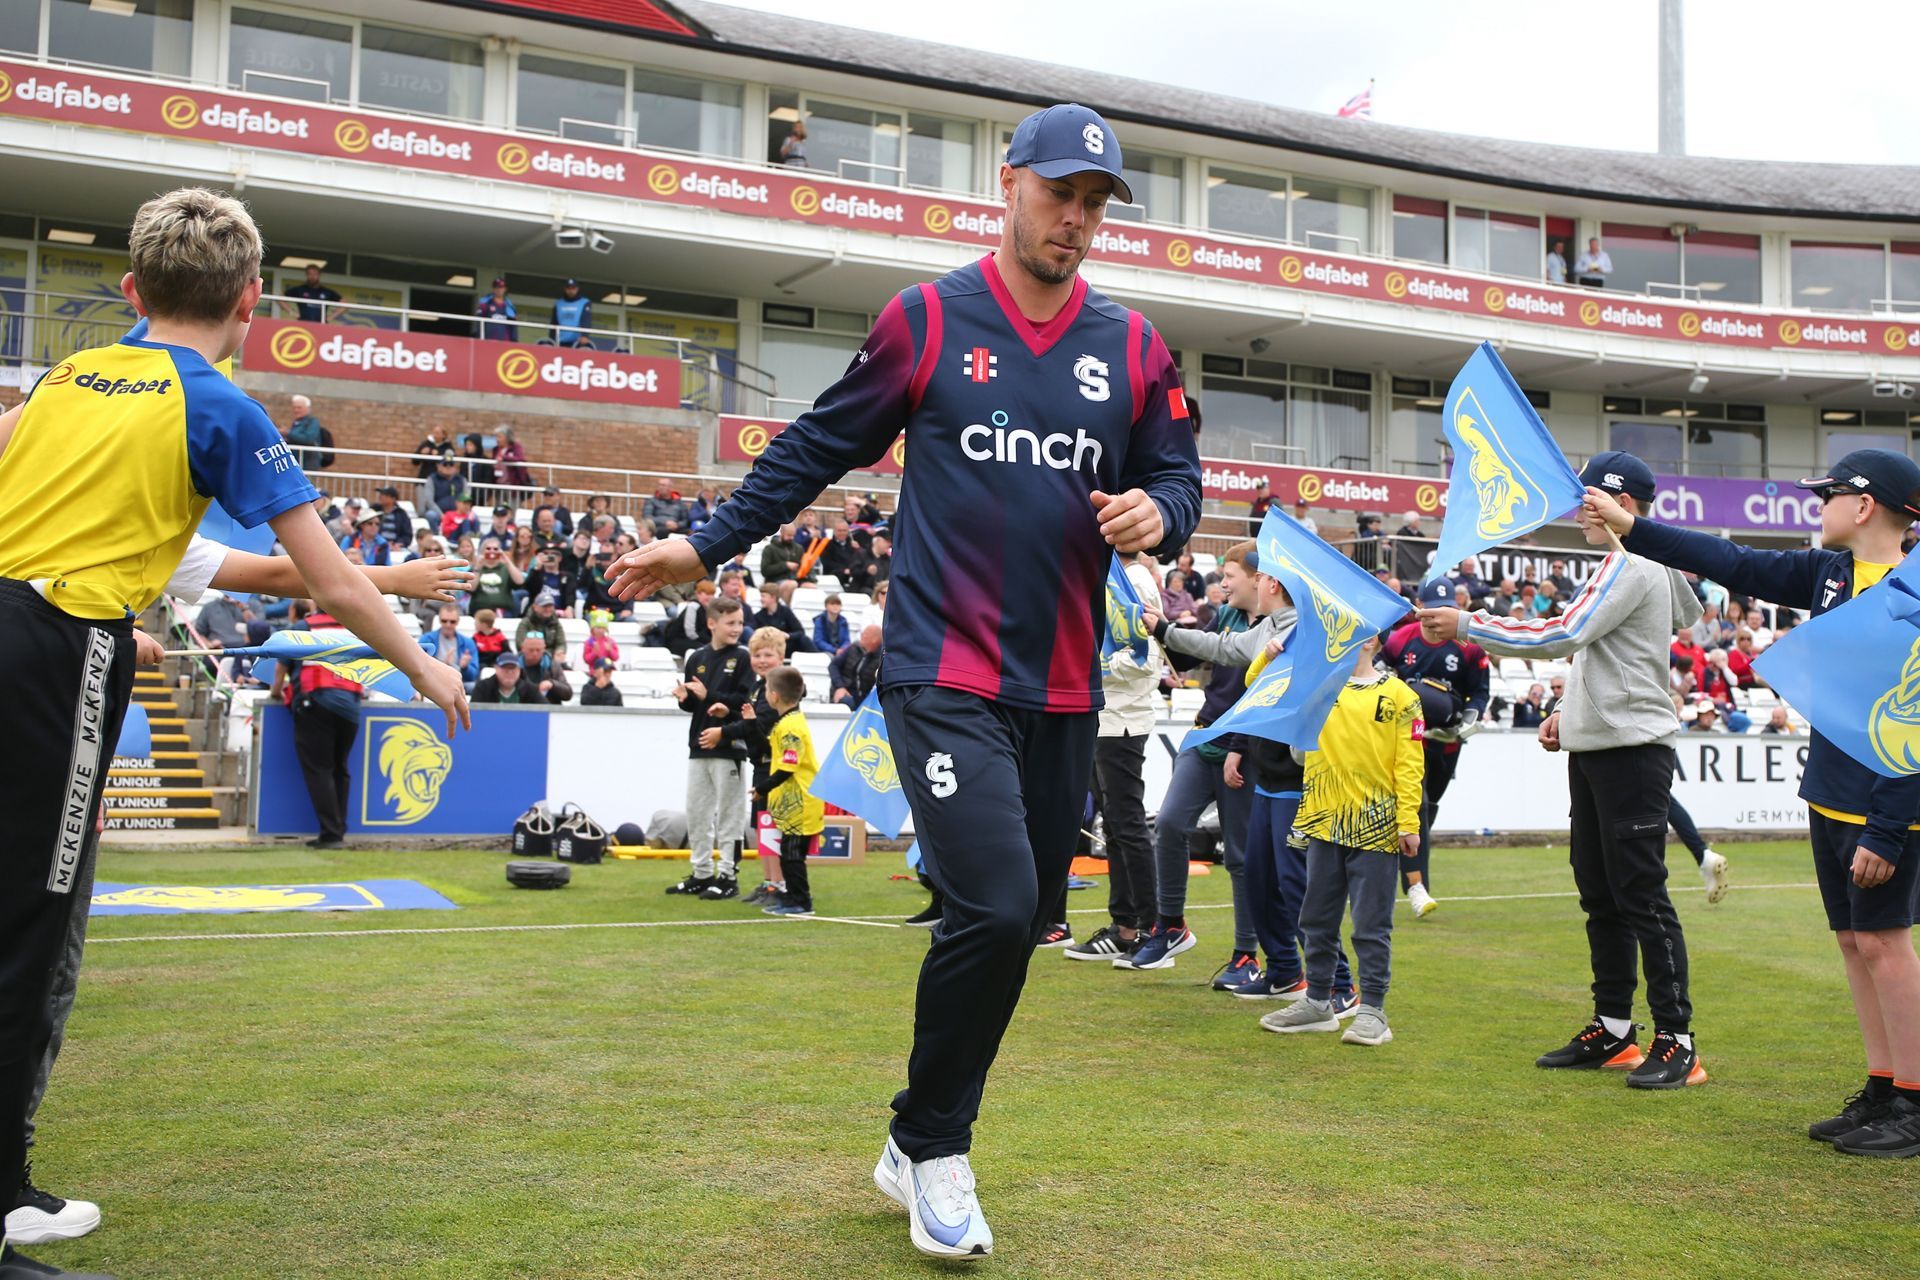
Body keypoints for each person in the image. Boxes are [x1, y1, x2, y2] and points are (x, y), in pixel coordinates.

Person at [608, 101, 1199, 1262]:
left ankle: (918, 1135)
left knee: (1023, 915)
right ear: (1010, 181)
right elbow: (818, 444)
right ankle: (935, 1145)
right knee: (987, 897)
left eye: (1094, 205)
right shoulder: (927, 320)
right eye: (1059, 194)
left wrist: (1159, 512)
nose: (1074, 221)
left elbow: (1178, 475)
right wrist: (709, 541)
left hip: (1066, 687)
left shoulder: (1132, 346)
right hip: (941, 667)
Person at [0, 188, 467, 1277]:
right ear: (252, 301)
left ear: (129, 291)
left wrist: (107, 608)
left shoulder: (67, 377)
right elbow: (334, 581)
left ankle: (10, 1183)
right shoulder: (218, 406)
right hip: (54, 651)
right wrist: (425, 661)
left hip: (40, 625)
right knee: (32, 923)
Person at [1586, 447, 1920, 1148]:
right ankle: (1882, 1086)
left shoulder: (1913, 592)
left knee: (1887, 946)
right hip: (1830, 793)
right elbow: (1731, 561)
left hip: (1887, 805)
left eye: (1827, 495)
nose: (1816, 506)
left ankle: (1914, 1105)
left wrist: (1888, 828)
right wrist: (1632, 526)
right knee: (1856, 944)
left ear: (1864, 507)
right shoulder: (1829, 571)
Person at [1419, 450, 1707, 1089]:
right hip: (1606, 747)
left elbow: (1560, 634)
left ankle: (1678, 1041)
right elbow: (1627, 644)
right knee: (1603, 894)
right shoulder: (1638, 564)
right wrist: (1565, 709)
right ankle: (1614, 1030)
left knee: (1638, 895)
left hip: (1630, 752)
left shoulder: (1630, 565)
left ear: (1622, 505)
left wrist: (1468, 622)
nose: (1580, 510)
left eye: (1591, 499)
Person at [1257, 632, 1422, 1047]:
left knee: (1370, 924)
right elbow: (1258, 689)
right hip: (1322, 821)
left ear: (1371, 643)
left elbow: (1409, 762)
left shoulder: (1401, 696)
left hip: (1376, 826)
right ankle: (1317, 1003)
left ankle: (1373, 1011)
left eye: (1349, 638)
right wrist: (1267, 656)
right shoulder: (1318, 687)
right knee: (1316, 918)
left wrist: (1408, 822)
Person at [1131, 542, 1260, 976]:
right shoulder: (1223, 613)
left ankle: (1246, 954)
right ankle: (1171, 926)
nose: (1221, 584)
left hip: (1245, 747)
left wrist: (1240, 747)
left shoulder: (1279, 629)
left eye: (1230, 576)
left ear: (1260, 579)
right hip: (1205, 734)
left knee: (1240, 855)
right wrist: (1153, 620)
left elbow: (1262, 699)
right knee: (1168, 824)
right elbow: (1191, 654)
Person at [1063, 552, 1163, 963]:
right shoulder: (1107, 574)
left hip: (1123, 719)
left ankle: (1153, 929)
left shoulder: (1134, 579)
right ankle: (1125, 925)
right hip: (1103, 716)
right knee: (1117, 827)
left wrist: (1090, 664)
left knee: (1128, 825)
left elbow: (1146, 659)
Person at [1383, 578, 1491, 918]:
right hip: (1407, 739)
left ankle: (1401, 860)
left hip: (1445, 743)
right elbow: (1382, 674)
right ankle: (1417, 886)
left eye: (1444, 610)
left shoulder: (1469, 646)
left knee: (1429, 807)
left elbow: (1479, 692)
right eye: (1430, 609)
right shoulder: (1401, 640)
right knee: (1420, 806)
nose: (1435, 618)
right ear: (1419, 606)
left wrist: (1463, 726)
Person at [668, 597, 756, 900]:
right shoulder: (697, 658)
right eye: (731, 623)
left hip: (729, 745)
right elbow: (696, 705)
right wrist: (685, 699)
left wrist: (710, 695)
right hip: (698, 745)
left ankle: (728, 875)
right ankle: (701, 872)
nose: (737, 629)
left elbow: (745, 702)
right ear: (711, 624)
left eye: (740, 623)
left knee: (730, 815)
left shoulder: (743, 658)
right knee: (697, 813)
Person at [267, 602, 365, 850]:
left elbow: (281, 667)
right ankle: (338, 829)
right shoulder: (355, 630)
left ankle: (331, 834)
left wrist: (276, 692)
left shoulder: (304, 628)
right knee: (340, 769)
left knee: (319, 769)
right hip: (351, 708)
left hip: (315, 702)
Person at [729, 629, 790, 905]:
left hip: (776, 765)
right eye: (757, 655)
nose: (762, 660)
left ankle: (780, 883)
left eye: (768, 654)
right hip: (760, 764)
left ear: (781, 656)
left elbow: (764, 727)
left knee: (773, 825)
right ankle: (769, 882)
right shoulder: (756, 687)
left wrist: (744, 725)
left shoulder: (782, 688)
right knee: (762, 825)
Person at [761, 665, 826, 916]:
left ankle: (802, 901)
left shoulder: (791, 727)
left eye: (767, 689)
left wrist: (762, 788)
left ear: (774, 696)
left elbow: (789, 766)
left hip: (801, 800)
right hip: (792, 802)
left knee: (792, 855)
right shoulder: (788, 721)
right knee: (788, 852)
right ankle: (791, 897)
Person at [418, 604, 479, 690]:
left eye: (452, 621)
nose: (448, 625)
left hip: (459, 682)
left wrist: (465, 667)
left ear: (457, 621)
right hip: (433, 681)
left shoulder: (468, 643)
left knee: (476, 688)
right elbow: (419, 666)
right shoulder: (427, 639)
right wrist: (443, 666)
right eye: (444, 621)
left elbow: (473, 676)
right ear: (439, 620)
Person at [831, 624, 884, 704]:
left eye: (865, 635)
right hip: (846, 692)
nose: (862, 636)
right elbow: (833, 665)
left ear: (874, 640)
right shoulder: (854, 647)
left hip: (868, 699)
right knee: (842, 700)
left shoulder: (882, 658)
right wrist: (840, 687)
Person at [750, 584, 811, 653]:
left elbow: (800, 631)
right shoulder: (758, 616)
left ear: (773, 597)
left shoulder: (786, 612)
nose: (761, 599)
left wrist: (787, 635)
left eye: (763, 596)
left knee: (804, 640)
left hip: (786, 645)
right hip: (769, 647)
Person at [515, 634, 572, 705]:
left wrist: (552, 684)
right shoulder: (513, 666)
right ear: (523, 649)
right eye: (531, 650)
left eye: (538, 650)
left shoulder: (552, 665)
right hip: (520, 709)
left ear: (544, 649)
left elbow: (568, 694)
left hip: (549, 709)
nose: (535, 653)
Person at [285, 394, 330, 470]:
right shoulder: (297, 423)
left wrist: (288, 433)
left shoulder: (312, 422)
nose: (296, 410)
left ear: (308, 409)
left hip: (308, 463)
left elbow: (308, 438)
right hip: (297, 463)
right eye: (294, 408)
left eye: (299, 408)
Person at [549, 279, 593, 348]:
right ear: (565, 289)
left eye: (573, 288)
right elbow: (553, 323)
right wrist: (551, 340)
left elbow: (586, 320)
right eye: (568, 288)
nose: (571, 291)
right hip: (559, 342)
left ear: (577, 289)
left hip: (577, 343)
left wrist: (585, 335)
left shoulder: (584, 302)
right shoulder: (558, 303)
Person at [476, 277, 518, 341]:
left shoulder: (510, 306)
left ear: (505, 289)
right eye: (497, 287)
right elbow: (479, 323)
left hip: (505, 343)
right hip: (488, 341)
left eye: (501, 287)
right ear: (493, 289)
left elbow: (513, 327)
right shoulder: (485, 304)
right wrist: (480, 338)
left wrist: (514, 341)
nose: (499, 290)